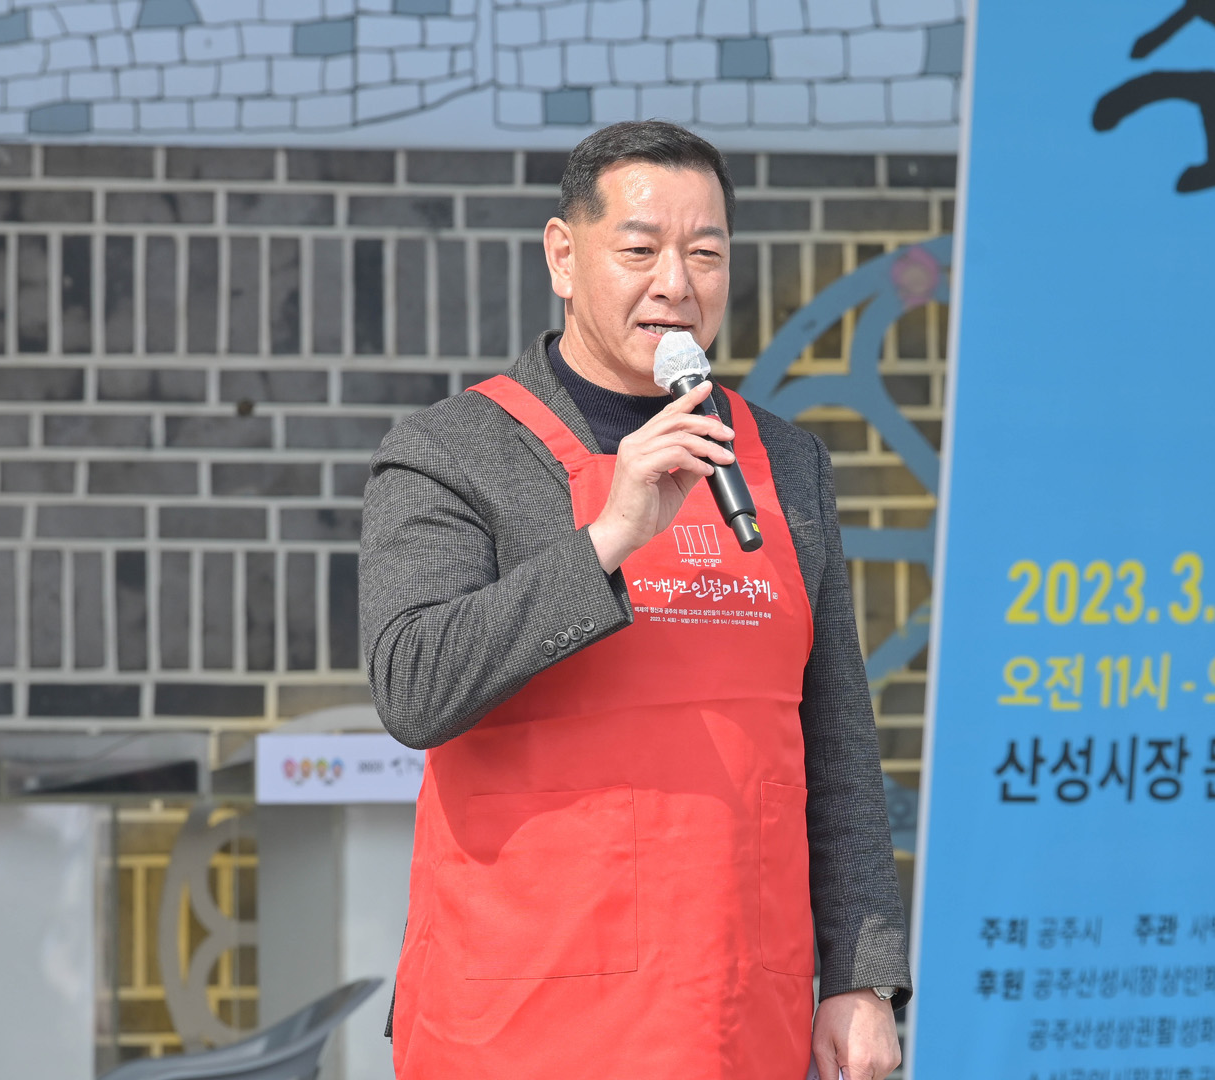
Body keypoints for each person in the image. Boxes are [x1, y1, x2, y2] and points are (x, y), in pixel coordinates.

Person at [359, 120, 910, 1079]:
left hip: (734, 1014)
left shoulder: (785, 463)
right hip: (520, 1020)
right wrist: (608, 537)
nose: (677, 285)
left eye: (707, 254)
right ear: (563, 256)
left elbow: (837, 743)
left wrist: (862, 979)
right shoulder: (452, 451)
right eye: (641, 250)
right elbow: (414, 687)